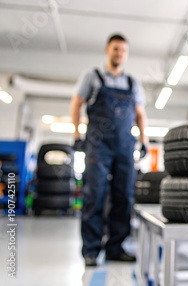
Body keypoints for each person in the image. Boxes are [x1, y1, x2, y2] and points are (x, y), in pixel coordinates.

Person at [70, 33, 148, 267]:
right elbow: (76, 103)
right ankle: (91, 250)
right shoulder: (92, 76)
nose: (119, 53)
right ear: (107, 50)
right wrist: (76, 133)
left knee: (124, 195)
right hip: (98, 145)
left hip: (125, 146)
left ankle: (116, 247)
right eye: (115, 49)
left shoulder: (132, 83)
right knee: (95, 195)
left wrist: (144, 140)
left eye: (123, 50)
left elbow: (140, 113)